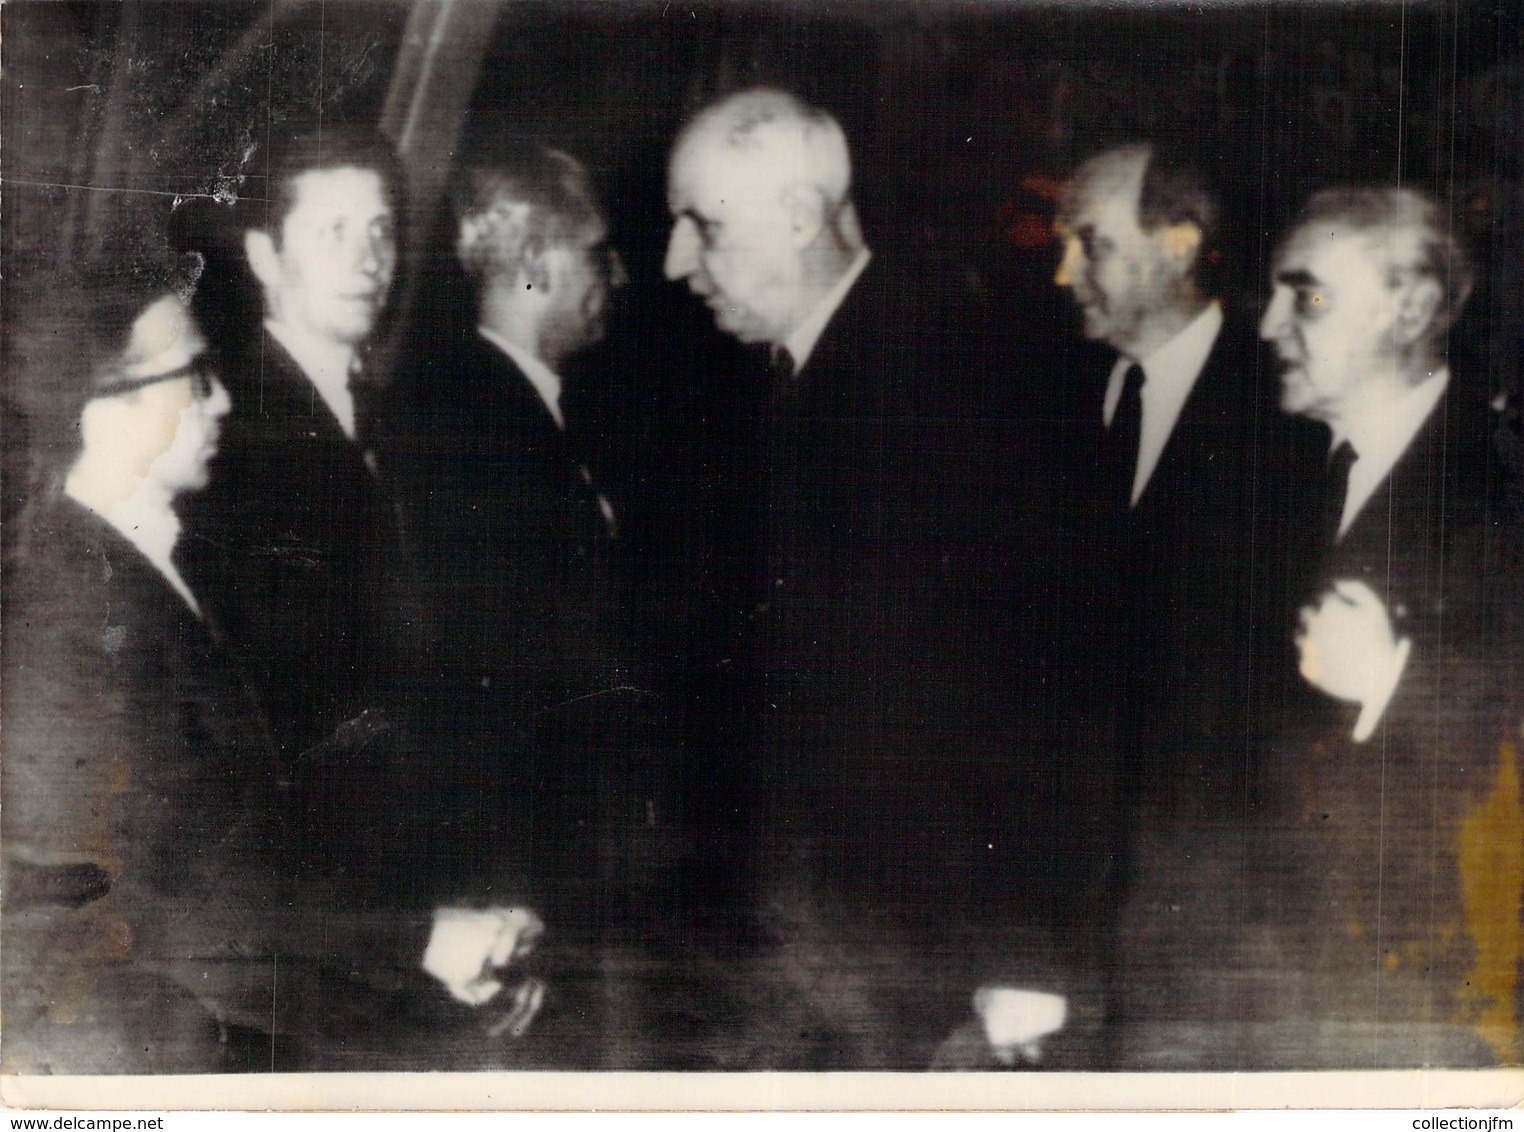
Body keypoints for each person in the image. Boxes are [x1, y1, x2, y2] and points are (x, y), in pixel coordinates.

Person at [1, 272, 546, 1073]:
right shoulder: (69, 612)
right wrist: (423, 940)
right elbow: (171, 894)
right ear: (101, 409)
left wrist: (427, 933)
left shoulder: (154, 566)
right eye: (194, 377)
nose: (220, 402)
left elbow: (243, 840)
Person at [662, 87, 1065, 1068]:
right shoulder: (793, 383)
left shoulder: (952, 380)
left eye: (702, 226)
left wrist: (1024, 953)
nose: (675, 262)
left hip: (914, 964)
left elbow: (1037, 675)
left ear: (801, 218)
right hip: (810, 950)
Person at [1238, 186, 1520, 1067]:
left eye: (1306, 295)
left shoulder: (1503, 488)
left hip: (1432, 1002)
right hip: (1265, 985)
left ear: (1412, 307)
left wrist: (1398, 686)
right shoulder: (1270, 477)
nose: (1269, 325)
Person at [404, 147, 672, 911]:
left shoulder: (518, 415)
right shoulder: (473, 438)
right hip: (526, 880)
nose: (616, 277)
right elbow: (477, 699)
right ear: (535, 263)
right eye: (596, 254)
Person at [177, 127, 420, 763]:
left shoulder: (390, 416)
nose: (370, 261)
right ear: (265, 257)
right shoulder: (230, 434)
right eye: (333, 232)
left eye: (380, 230)